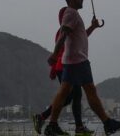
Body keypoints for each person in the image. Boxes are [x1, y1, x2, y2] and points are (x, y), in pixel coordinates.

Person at [43, 0, 120, 136]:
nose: (82, 0)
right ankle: (107, 123)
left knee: (65, 93)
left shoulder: (73, 15)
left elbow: (80, 36)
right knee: (89, 91)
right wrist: (55, 54)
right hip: (78, 60)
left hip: (74, 60)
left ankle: (52, 125)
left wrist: (93, 27)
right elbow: (63, 35)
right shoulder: (71, 13)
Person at [33, 7, 92, 136]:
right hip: (66, 67)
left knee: (72, 97)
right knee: (73, 96)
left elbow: (82, 36)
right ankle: (76, 127)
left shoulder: (68, 29)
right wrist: (54, 63)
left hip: (66, 67)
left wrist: (93, 27)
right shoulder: (63, 31)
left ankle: (45, 118)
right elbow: (61, 48)